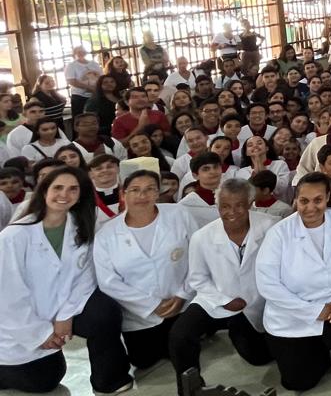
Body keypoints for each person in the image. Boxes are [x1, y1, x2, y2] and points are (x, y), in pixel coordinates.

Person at [0, 166, 133, 394]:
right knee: (45, 380)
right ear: (44, 191)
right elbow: (9, 296)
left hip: (65, 306)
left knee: (105, 312)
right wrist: (39, 334)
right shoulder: (13, 237)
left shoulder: (81, 226)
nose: (64, 195)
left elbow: (85, 278)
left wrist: (65, 316)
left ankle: (109, 380)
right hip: (22, 323)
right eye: (58, 188)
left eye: (73, 189)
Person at [254, 172, 331, 391]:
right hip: (294, 316)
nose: (311, 207)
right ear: (295, 200)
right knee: (298, 382)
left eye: (318, 200)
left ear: (328, 197)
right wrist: (314, 312)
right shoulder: (279, 234)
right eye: (304, 201)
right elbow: (267, 284)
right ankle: (318, 348)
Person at [169, 178, 274, 388]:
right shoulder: (202, 237)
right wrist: (224, 301)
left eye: (239, 205)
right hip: (216, 299)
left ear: (250, 204)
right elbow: (198, 278)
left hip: (255, 302)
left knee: (259, 357)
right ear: (217, 206)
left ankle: (238, 330)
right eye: (225, 206)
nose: (231, 212)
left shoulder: (270, 226)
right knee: (180, 335)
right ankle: (189, 387)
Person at [94, 169, 198, 371]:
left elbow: (199, 255)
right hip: (139, 315)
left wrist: (183, 294)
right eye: (135, 190)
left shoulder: (179, 214)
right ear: (123, 194)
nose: (142, 196)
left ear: (158, 193)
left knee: (184, 353)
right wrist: (152, 304)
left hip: (183, 304)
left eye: (150, 189)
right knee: (143, 361)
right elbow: (108, 281)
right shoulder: (106, 234)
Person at [65, 45, 103, 119]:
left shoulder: (94, 64)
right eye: (79, 52)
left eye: (83, 51)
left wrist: (97, 89)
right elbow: (71, 81)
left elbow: (101, 77)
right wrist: (89, 87)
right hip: (79, 97)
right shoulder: (71, 65)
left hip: (95, 95)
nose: (81, 53)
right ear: (74, 53)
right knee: (80, 118)